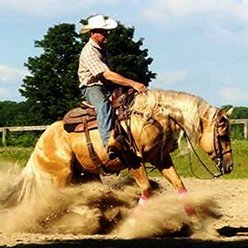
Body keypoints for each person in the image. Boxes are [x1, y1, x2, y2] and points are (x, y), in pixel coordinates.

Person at [78, 14, 147, 159]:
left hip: (106, 86)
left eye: (106, 31)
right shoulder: (89, 51)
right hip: (92, 87)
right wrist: (133, 83)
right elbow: (106, 74)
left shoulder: (102, 49)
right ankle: (108, 143)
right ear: (92, 33)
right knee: (103, 105)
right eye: (102, 32)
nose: (106, 34)